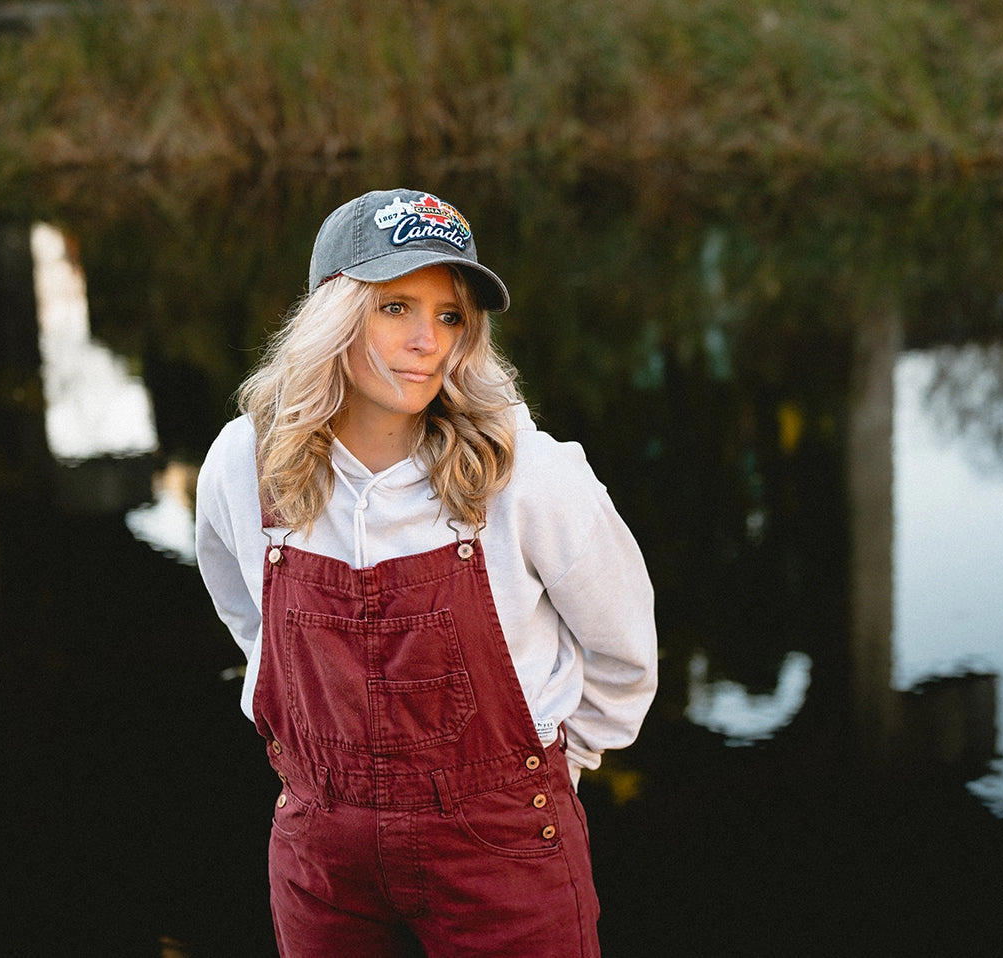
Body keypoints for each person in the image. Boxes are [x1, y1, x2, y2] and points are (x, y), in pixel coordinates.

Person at [194, 188, 658, 957]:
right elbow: (249, 618)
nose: (427, 342)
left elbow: (624, 654)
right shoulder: (245, 463)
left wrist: (547, 773)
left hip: (500, 848)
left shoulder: (526, 473)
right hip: (323, 848)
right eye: (396, 308)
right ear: (333, 314)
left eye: (449, 316)